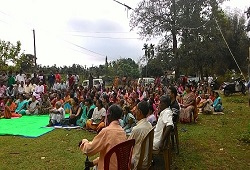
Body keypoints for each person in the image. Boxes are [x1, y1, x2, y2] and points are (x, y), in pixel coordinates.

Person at [79, 104, 127, 170]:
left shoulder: (106, 132)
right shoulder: (122, 132)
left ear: (109, 114)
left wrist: (84, 142)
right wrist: (93, 162)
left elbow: (89, 150)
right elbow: (112, 156)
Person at [128, 101, 152, 170]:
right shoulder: (149, 125)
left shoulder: (137, 129)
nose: (134, 111)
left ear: (140, 112)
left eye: (136, 110)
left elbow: (128, 146)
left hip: (139, 162)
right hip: (147, 160)